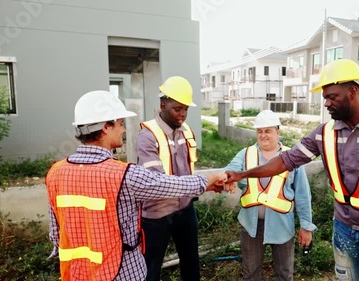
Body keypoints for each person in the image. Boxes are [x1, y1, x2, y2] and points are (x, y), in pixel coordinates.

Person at [226, 59, 359, 280]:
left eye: (332, 97)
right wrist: (242, 174)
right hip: (343, 230)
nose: (326, 104)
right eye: (325, 98)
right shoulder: (324, 132)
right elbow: (286, 161)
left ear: (353, 91)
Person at [46, 90, 227, 281]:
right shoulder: (123, 175)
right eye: (121, 124)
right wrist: (211, 178)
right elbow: (166, 185)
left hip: (77, 273)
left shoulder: (55, 172)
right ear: (106, 127)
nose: (123, 130)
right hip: (121, 272)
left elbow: (55, 234)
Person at [224, 110, 316, 281]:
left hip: (282, 225)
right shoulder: (246, 154)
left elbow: (303, 195)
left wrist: (306, 226)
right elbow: (229, 171)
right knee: (250, 274)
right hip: (251, 225)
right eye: (259, 131)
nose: (263, 135)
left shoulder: (291, 157)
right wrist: (226, 179)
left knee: (284, 274)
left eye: (268, 131)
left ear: (277, 132)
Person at [135, 76, 201, 281]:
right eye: (177, 109)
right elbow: (155, 183)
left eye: (186, 109)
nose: (182, 114)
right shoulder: (147, 136)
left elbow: (189, 169)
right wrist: (202, 183)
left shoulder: (187, 131)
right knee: (151, 268)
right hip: (157, 215)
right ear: (163, 105)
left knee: (191, 262)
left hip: (185, 209)